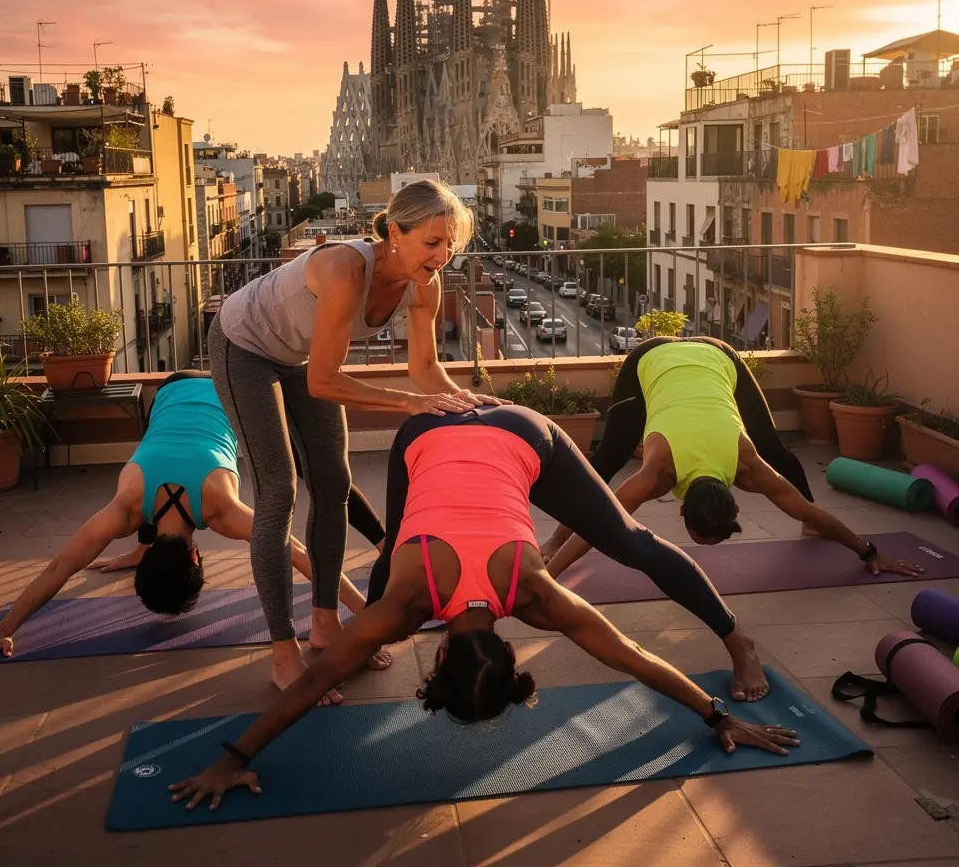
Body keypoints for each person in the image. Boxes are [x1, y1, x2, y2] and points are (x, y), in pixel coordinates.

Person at [167, 404, 800, 812]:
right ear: (440, 653)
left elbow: (314, 679)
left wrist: (718, 716)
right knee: (391, 572)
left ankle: (735, 636)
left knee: (390, 571)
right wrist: (230, 761)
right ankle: (731, 638)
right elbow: (315, 677)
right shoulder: (468, 600)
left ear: (510, 648)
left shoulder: (524, 595)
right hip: (485, 430)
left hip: (447, 429)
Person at [209, 179, 505, 700]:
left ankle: (326, 623)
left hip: (299, 357)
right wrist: (409, 404)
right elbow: (327, 381)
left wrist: (468, 402)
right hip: (244, 347)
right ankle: (284, 654)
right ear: (395, 232)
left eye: (451, 242)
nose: (443, 254)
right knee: (279, 489)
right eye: (432, 242)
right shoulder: (346, 270)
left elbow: (425, 367)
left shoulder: (424, 284)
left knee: (334, 481)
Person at [0, 372, 390, 687]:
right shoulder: (130, 509)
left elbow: (298, 552)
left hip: (220, 388)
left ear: (196, 557)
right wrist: (0, 627)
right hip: (169, 390)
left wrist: (8, 629)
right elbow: (60, 565)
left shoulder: (219, 511)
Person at [540, 336, 924, 585]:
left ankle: (809, 529)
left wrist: (870, 553)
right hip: (651, 356)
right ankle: (555, 538)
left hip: (717, 353)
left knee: (772, 445)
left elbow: (813, 510)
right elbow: (599, 520)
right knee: (610, 456)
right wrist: (550, 575)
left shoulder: (749, 464)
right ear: (680, 509)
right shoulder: (657, 472)